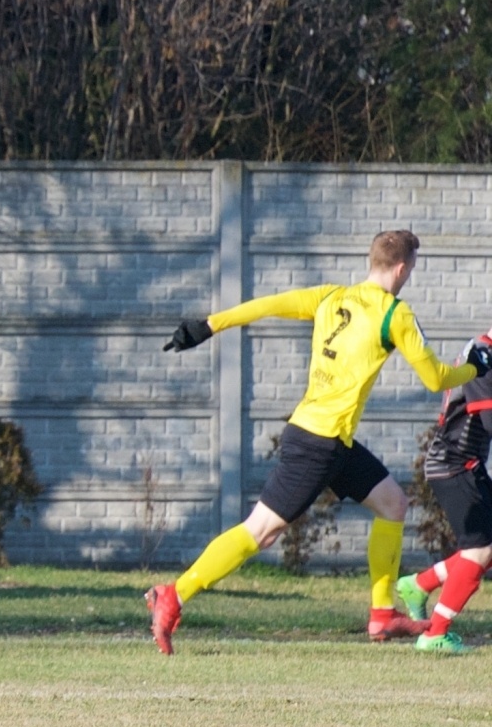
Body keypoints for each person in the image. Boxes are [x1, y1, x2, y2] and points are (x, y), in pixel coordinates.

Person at [147, 229, 491, 654]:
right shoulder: (394, 315)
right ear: (402, 268)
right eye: (412, 268)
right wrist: (475, 368)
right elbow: (436, 377)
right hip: (318, 445)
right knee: (261, 532)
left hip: (330, 440)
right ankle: (174, 596)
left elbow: (269, 304)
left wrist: (208, 325)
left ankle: (383, 615)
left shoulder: (331, 297)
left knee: (392, 503)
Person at [395, 329, 492, 653]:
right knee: (480, 550)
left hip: (462, 464)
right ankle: (435, 633)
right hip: (456, 464)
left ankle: (419, 585)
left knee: (484, 546)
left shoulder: (480, 349)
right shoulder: (484, 357)